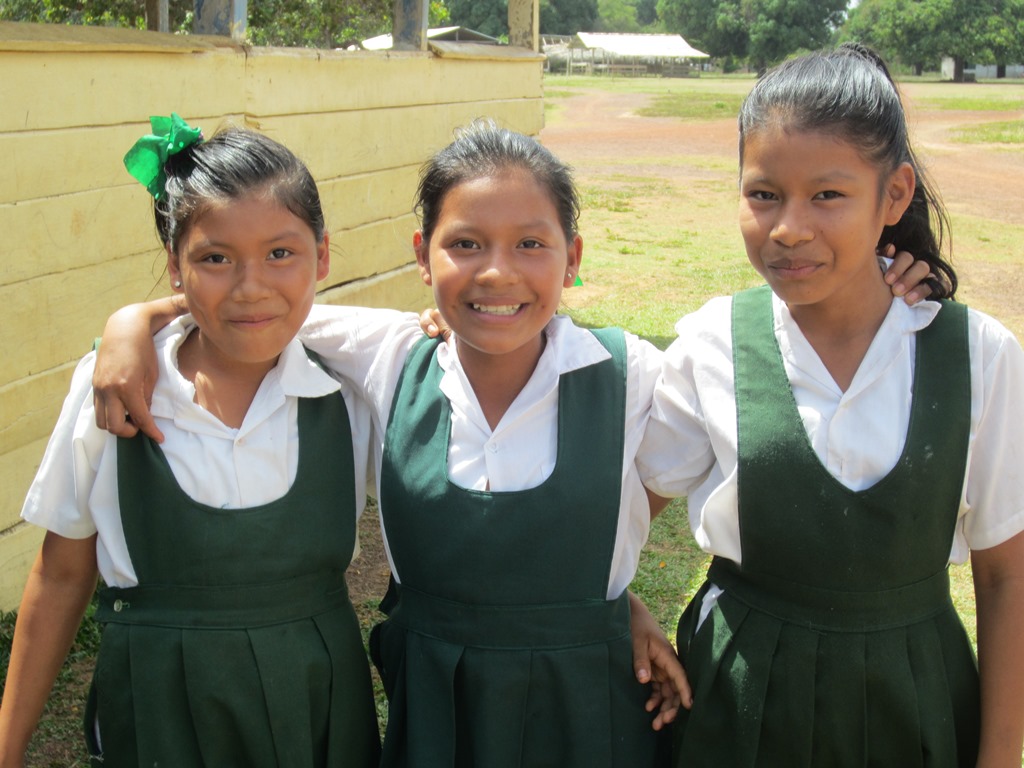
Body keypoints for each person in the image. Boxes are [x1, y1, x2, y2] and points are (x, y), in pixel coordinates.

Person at [87, 120, 935, 767]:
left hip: (590, 705)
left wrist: (614, 594)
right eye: (465, 245)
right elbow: (256, 301)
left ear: (573, 259)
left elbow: (673, 468)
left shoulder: (633, 370)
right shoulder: (386, 356)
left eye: (532, 244)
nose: (496, 274)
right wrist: (133, 322)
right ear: (423, 256)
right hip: (439, 697)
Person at [636, 43, 1024, 767]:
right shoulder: (714, 344)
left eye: (828, 195)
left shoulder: (979, 355)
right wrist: (620, 604)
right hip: (740, 703)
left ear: (896, 195)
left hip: (914, 701)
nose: (788, 228)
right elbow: (618, 512)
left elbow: (1007, 575)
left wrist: (999, 755)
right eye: (763, 194)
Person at [0, 117, 381, 767]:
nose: (251, 285)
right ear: (175, 268)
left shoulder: (351, 388)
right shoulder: (114, 389)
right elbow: (62, 574)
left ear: (323, 254)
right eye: (214, 258)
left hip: (315, 707)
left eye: (280, 253)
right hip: (159, 709)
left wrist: (613, 602)